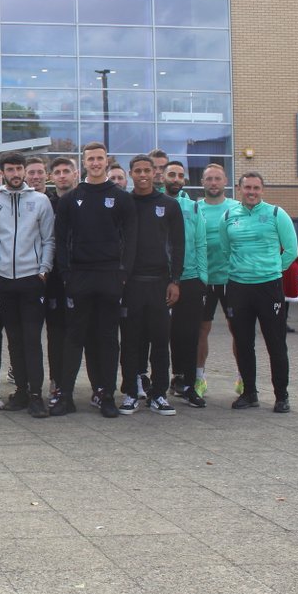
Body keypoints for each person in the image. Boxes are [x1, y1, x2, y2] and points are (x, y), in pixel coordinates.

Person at [52, 142, 136, 418]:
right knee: (74, 337)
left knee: (108, 338)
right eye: (91, 159)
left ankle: (107, 394)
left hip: (110, 276)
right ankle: (65, 395)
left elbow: (131, 239)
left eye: (100, 158)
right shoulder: (70, 199)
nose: (96, 163)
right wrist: (66, 274)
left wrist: (123, 273)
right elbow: (61, 241)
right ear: (84, 163)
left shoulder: (121, 198)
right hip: (80, 276)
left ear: (106, 161)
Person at [0, 152, 55, 417]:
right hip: (3, 280)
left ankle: (36, 394)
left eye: (18, 169)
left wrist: (43, 269)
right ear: (2, 172)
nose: (15, 174)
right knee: (13, 339)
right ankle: (21, 390)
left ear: (24, 171)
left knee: (32, 339)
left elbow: (49, 239)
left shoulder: (40, 200)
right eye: (9, 169)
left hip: (32, 280)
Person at [219, 171, 298, 413]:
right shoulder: (228, 215)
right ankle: (249, 393)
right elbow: (225, 250)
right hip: (238, 287)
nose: (251, 192)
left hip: (269, 287)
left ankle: (281, 395)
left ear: (262, 190)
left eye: (256, 188)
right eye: (247, 188)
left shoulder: (276, 214)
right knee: (243, 342)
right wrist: (241, 270)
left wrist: (272, 269)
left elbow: (292, 251)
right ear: (239, 189)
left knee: (276, 343)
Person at [116, 156, 184, 416]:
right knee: (131, 341)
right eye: (138, 171)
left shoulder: (168, 205)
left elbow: (178, 246)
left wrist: (175, 280)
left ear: (155, 173)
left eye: (147, 170)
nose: (143, 175)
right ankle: (131, 393)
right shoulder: (124, 204)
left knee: (159, 341)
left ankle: (159, 394)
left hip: (159, 284)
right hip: (130, 284)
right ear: (131, 173)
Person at [163, 161, 208, 408]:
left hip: (190, 279)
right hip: (160, 278)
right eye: (172, 174)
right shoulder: (154, 203)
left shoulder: (193, 206)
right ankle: (156, 386)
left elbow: (200, 243)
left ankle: (189, 385)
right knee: (159, 335)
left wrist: (203, 278)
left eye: (181, 175)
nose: (176, 178)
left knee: (188, 336)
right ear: (163, 176)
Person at [197, 163, 236, 397]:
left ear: (225, 181)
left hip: (231, 280)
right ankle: (199, 378)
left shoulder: (236, 208)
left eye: (217, 179)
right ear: (202, 182)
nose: (213, 183)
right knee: (201, 330)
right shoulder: (195, 208)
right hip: (203, 280)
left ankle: (244, 379)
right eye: (209, 178)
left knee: (237, 329)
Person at [44, 157, 77, 403]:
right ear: (51, 176)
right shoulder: (46, 204)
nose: (63, 175)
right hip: (53, 277)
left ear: (75, 174)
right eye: (58, 172)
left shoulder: (84, 200)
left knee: (80, 334)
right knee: (55, 333)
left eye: (67, 171)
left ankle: (86, 385)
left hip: (82, 275)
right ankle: (57, 382)